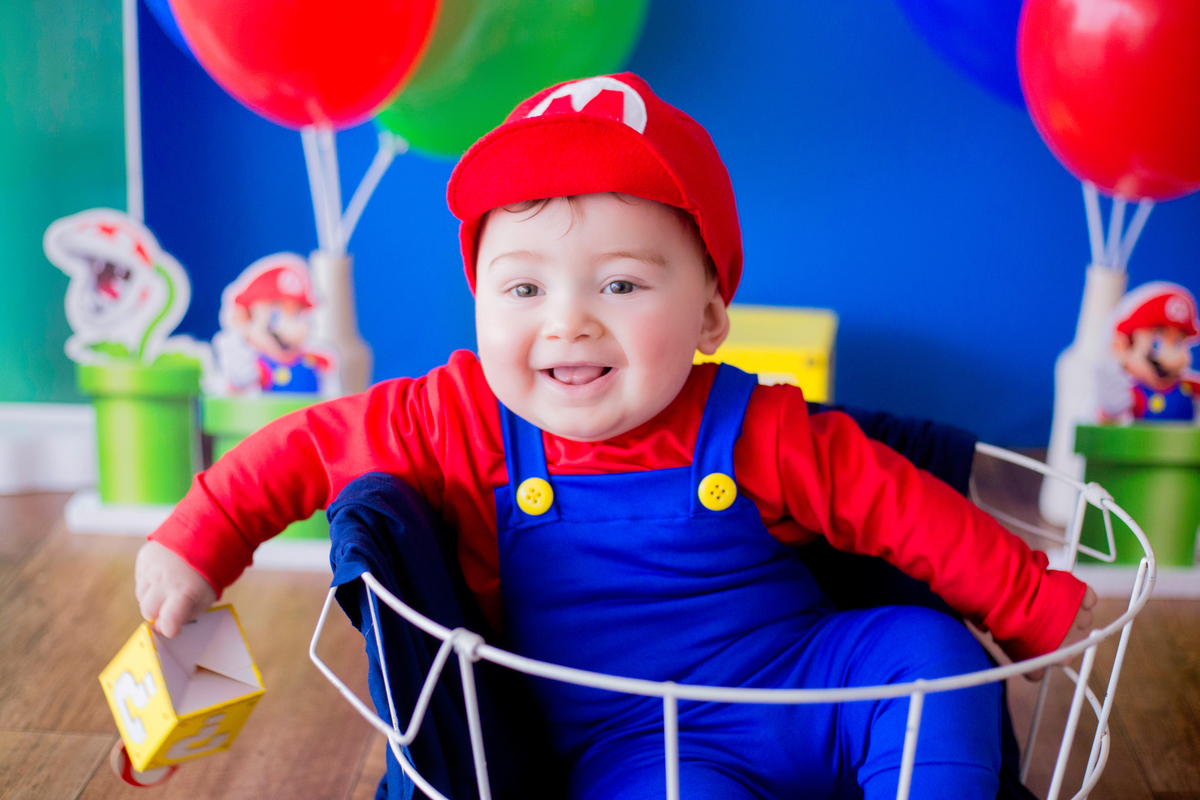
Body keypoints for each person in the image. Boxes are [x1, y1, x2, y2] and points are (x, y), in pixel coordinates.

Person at [135, 74, 1095, 799]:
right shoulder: (457, 414)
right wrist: (197, 543)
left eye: (622, 285)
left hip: (798, 680)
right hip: (634, 742)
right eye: (523, 289)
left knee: (929, 656)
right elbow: (305, 449)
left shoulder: (753, 420)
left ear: (712, 316)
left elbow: (901, 507)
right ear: (479, 299)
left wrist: (1031, 604)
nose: (568, 322)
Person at [1098, 281, 1200, 422]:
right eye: (1156, 343)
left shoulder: (1190, 388)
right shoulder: (1135, 396)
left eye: (1178, 344)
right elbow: (1110, 424)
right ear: (1122, 347)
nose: (1170, 357)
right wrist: (1111, 413)